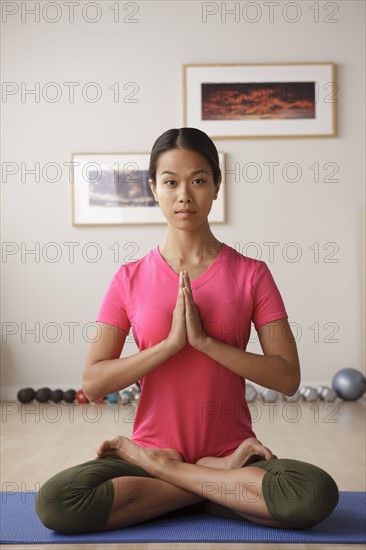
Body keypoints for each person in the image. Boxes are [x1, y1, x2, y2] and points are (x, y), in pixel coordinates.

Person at [35, 128, 339, 534]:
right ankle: (210, 484)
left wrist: (205, 343)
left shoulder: (252, 274)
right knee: (57, 502)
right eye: (170, 182)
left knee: (314, 493)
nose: (185, 195)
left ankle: (175, 477)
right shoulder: (128, 278)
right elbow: (92, 383)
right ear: (153, 189)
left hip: (233, 452)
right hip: (153, 452)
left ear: (216, 186)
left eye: (198, 180)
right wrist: (170, 346)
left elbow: (286, 377)